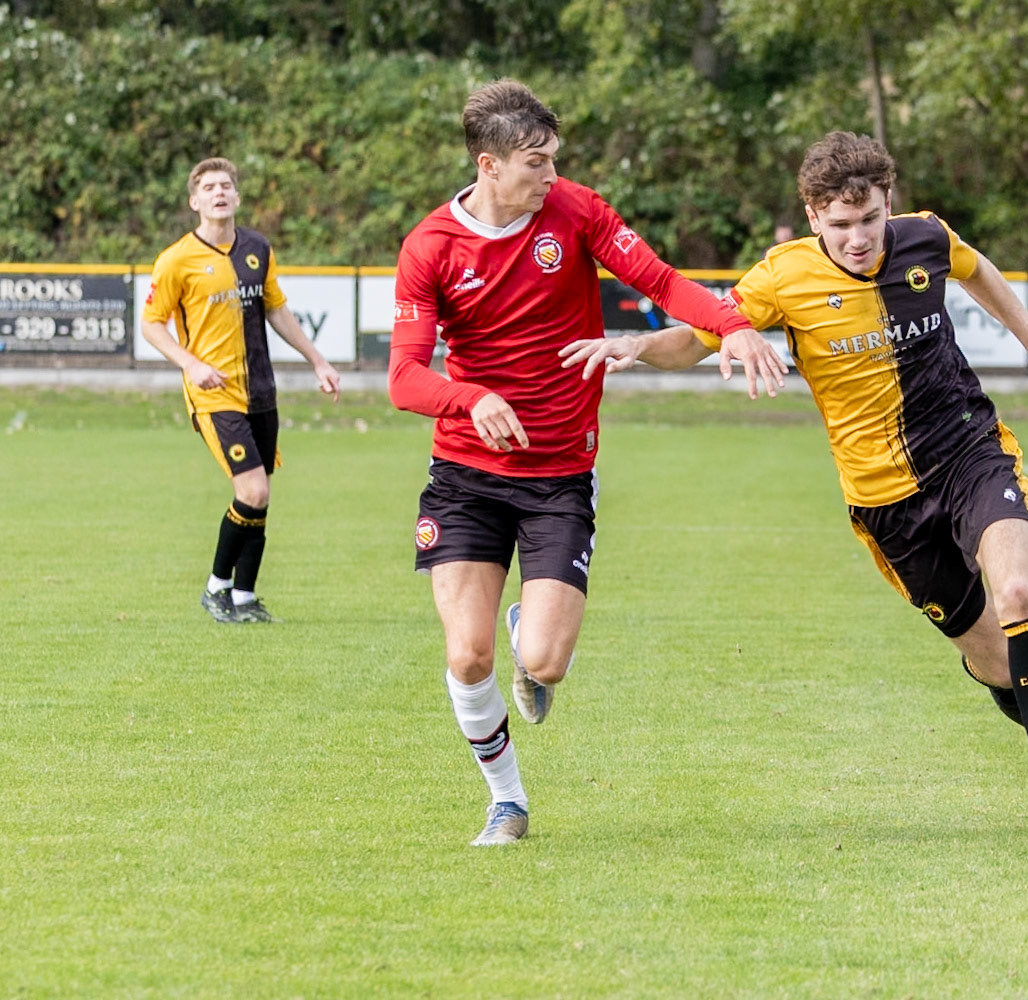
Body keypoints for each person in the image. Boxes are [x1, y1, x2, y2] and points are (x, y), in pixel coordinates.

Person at [560, 131, 1028, 858]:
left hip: (969, 451)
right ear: (813, 218)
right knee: (999, 661)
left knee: (1019, 592)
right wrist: (637, 346)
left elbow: (981, 272)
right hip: (883, 503)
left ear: (887, 205)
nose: (859, 238)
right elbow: (702, 335)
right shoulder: (783, 277)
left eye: (869, 220)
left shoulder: (925, 239)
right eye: (839, 225)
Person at [387, 80, 783, 848]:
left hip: (561, 472)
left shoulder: (576, 211)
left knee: (544, 660)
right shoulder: (431, 246)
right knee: (466, 656)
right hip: (466, 475)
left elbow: (662, 283)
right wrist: (470, 398)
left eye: (554, 159)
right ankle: (507, 801)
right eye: (536, 162)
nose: (550, 176)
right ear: (489, 164)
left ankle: (527, 630)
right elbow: (405, 377)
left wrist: (731, 326)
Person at [141, 156, 341, 625]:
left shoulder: (257, 247)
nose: (219, 192)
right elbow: (151, 325)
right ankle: (217, 588)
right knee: (251, 489)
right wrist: (191, 365)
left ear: (237, 196)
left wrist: (318, 360)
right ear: (195, 201)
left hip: (261, 391)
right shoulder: (176, 260)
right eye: (209, 187)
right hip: (214, 397)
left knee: (262, 494)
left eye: (226, 185)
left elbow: (277, 310)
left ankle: (246, 597)